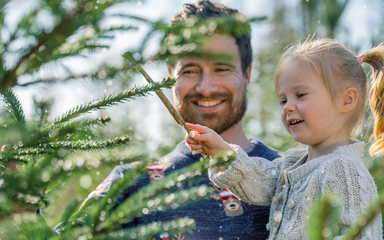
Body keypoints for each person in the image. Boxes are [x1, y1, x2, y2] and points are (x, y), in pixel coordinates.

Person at [80, 1, 281, 239]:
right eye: (190, 71)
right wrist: (25, 207)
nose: (206, 88)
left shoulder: (294, 175)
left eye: (222, 69)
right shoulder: (129, 185)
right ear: (170, 78)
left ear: (246, 74)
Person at [185, 38, 384, 239]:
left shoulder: (343, 170)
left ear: (346, 100)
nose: (287, 107)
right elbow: (258, 180)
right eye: (283, 100)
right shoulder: (291, 165)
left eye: (300, 94)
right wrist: (222, 152)